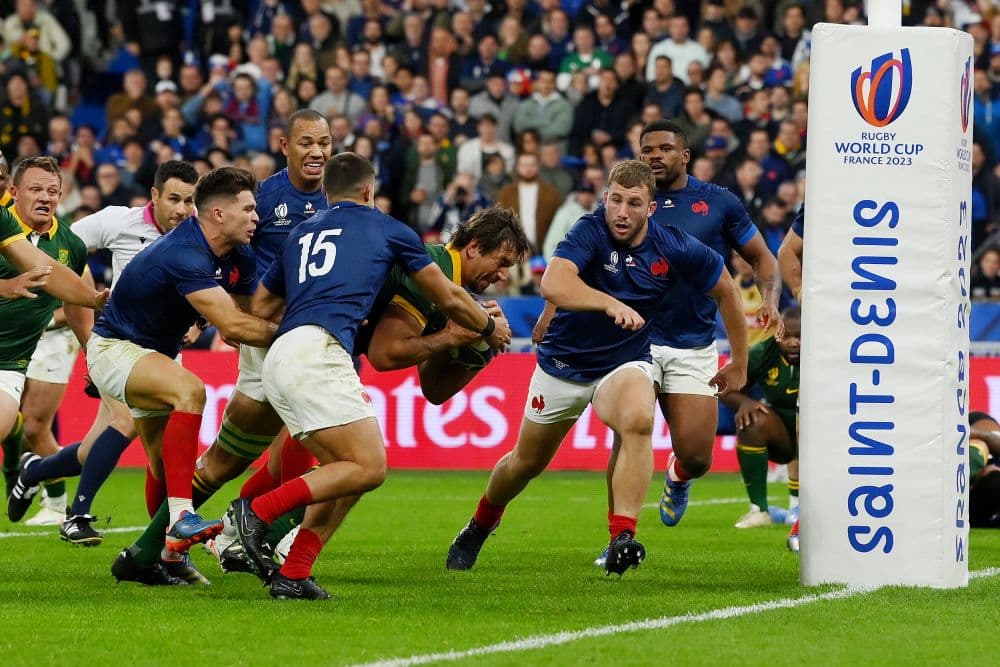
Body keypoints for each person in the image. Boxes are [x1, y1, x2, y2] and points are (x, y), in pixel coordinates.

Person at [225, 153, 512, 600]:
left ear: (326, 193)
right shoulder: (388, 229)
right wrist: (487, 328)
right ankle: (256, 515)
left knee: (346, 470)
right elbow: (451, 297)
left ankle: (294, 570)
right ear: (368, 191)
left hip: (280, 353)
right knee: (369, 466)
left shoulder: (301, 232)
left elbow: (261, 307)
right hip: (319, 352)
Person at [445, 160, 747, 576]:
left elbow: (727, 289)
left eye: (633, 203)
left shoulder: (673, 245)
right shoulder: (589, 230)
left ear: (650, 209)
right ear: (605, 198)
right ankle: (480, 524)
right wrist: (607, 303)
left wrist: (741, 361)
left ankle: (622, 535)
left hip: (624, 362)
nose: (621, 211)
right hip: (564, 364)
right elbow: (553, 283)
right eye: (615, 200)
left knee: (638, 419)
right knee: (524, 463)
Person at [111, 110, 334, 587]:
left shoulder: (340, 202)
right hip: (275, 341)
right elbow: (237, 280)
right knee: (347, 455)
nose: (317, 152)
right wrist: (245, 320)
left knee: (232, 460)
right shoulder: (262, 198)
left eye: (325, 143)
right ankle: (261, 543)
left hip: (308, 341)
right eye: (307, 142)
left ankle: (155, 551)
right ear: (285, 146)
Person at [41, 166, 275, 587]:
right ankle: (181, 518)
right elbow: (237, 327)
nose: (257, 216)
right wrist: (299, 334)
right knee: (191, 391)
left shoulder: (238, 253)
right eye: (249, 208)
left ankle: (158, 559)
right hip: (114, 350)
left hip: (154, 355)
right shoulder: (184, 252)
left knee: (163, 467)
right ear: (218, 214)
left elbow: (250, 314)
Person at [9, 161, 199, 547]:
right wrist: (90, 316)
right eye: (175, 199)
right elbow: (64, 252)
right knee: (127, 421)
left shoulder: (200, 235)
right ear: (155, 197)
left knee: (110, 446)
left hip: (163, 355)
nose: (182, 209)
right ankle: (77, 514)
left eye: (190, 201)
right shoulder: (120, 221)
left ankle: (35, 471)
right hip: (117, 345)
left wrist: (200, 322)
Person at [2, 156, 93, 518]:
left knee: (37, 424)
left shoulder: (70, 243)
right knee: (23, 425)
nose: (45, 197)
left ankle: (55, 503)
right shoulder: (2, 224)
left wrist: (95, 353)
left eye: (52, 191)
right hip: (21, 334)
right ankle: (16, 450)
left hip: (49, 339)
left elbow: (79, 295)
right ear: (13, 192)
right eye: (36, 189)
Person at [723, 307, 800, 529]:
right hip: (784, 438)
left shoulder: (824, 357)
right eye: (786, 336)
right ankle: (759, 510)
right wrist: (745, 402)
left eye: (800, 337)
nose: (793, 342)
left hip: (824, 437)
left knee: (806, 417)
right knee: (752, 421)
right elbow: (724, 387)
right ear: (777, 334)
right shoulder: (763, 353)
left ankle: (799, 507)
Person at [776, 204, 804, 550]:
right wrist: (800, 292)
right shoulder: (823, 201)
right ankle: (801, 511)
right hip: (836, 326)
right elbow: (786, 251)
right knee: (808, 422)